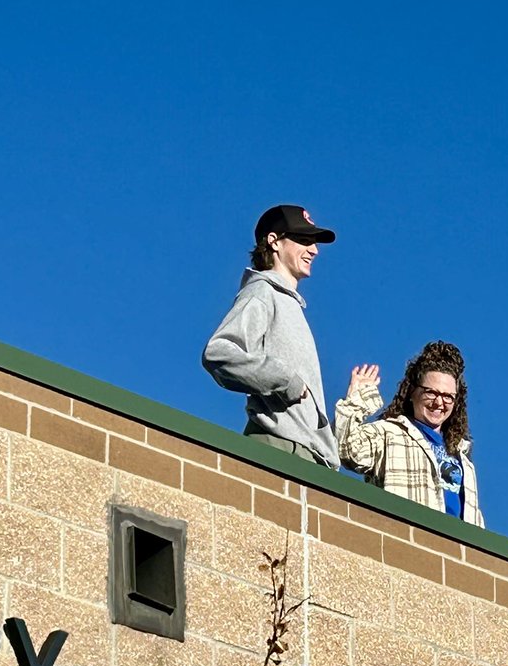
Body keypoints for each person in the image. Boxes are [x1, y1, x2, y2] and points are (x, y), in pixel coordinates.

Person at [202, 204, 339, 468]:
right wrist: (285, 381)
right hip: (280, 447)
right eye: (303, 240)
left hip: (308, 453)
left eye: (314, 243)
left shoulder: (288, 303)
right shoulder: (263, 292)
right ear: (274, 241)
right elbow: (219, 351)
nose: (314, 250)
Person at [335, 341, 485, 527]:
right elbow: (346, 449)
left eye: (448, 396)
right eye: (430, 392)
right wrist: (357, 400)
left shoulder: (463, 457)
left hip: (455, 553)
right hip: (408, 543)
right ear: (412, 393)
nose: (439, 402)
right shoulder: (389, 434)